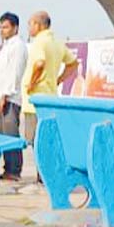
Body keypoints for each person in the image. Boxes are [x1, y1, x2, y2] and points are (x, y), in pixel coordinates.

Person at [22, 11, 79, 180]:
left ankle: (43, 174)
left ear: (38, 25)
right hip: (51, 97)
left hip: (35, 100)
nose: (29, 28)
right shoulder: (57, 42)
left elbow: (39, 63)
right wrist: (59, 79)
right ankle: (48, 173)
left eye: (30, 24)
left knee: (36, 140)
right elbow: (73, 63)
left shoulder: (39, 42)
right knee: (48, 139)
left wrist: (32, 83)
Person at [0, 12, 27, 181]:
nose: (2, 30)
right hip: (1, 97)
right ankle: (8, 169)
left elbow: (14, 73)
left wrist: (5, 95)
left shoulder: (17, 46)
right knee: (2, 135)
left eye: (5, 27)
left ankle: (14, 170)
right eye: (0, 27)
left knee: (10, 135)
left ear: (15, 28)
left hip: (9, 98)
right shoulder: (7, 45)